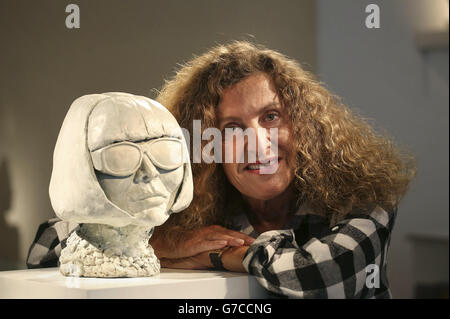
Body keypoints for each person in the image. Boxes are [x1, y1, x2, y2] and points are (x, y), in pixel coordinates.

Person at [27, 41, 415, 298]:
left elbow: (317, 274)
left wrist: (217, 256)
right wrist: (157, 244)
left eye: (272, 116)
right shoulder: (201, 205)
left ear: (305, 124)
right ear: (205, 146)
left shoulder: (362, 198)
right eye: (231, 128)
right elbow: (46, 246)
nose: (256, 142)